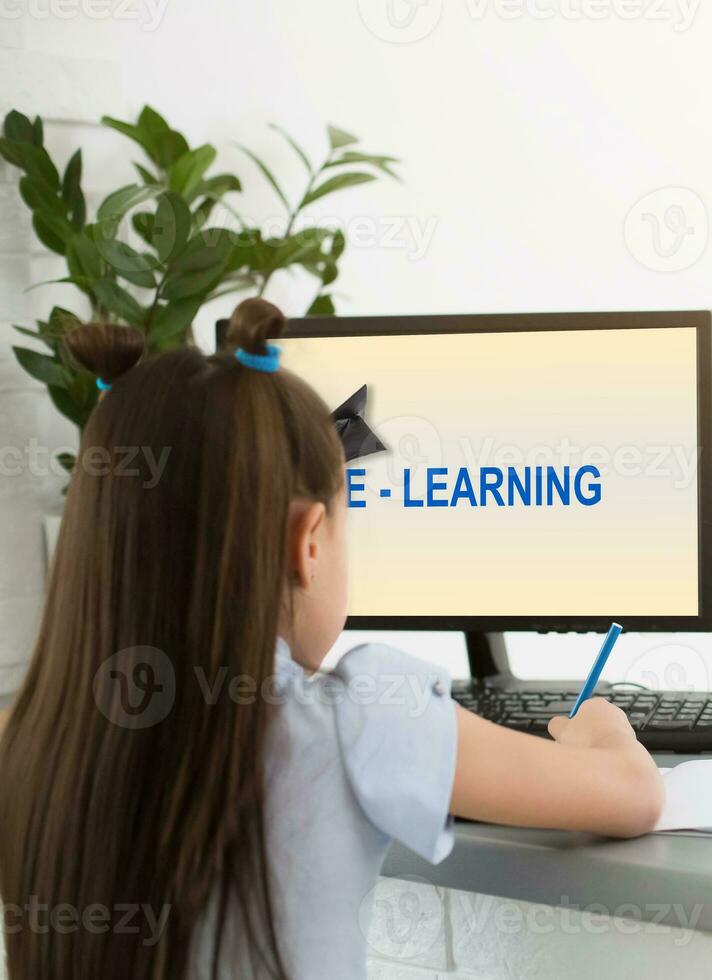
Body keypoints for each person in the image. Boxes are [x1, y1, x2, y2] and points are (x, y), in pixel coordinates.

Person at [0, 298, 664, 979]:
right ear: (309, 541)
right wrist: (606, 731)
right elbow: (633, 796)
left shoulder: (27, 736)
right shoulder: (357, 719)